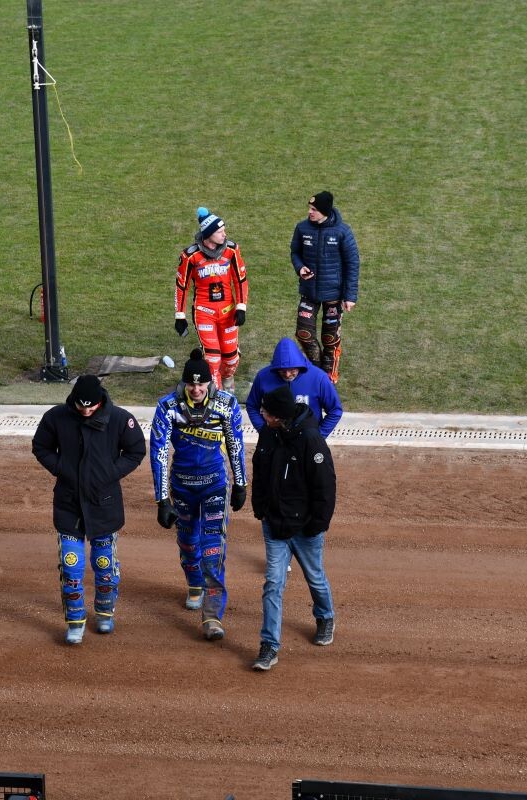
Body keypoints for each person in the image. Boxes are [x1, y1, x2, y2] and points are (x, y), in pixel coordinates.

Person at [32, 375, 146, 645]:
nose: (85, 411)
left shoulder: (120, 419)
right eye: (81, 407)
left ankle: (105, 613)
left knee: (104, 566)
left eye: (90, 407)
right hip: (69, 505)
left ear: (100, 400)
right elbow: (41, 447)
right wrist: (62, 468)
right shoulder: (56, 418)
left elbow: (136, 451)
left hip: (104, 505)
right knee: (72, 568)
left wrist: (110, 473)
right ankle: (75, 621)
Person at [150, 348, 248, 641]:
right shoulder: (167, 406)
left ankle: (212, 616)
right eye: (191, 384)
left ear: (210, 383)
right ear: (183, 383)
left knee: (212, 550)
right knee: (188, 543)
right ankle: (194, 583)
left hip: (215, 486)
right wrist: (162, 499)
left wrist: (241, 484)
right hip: (181, 487)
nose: (196, 389)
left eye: (201, 384)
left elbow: (236, 445)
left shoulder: (227, 405)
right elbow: (158, 452)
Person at [250, 386, 337, 672]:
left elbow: (325, 486)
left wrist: (317, 525)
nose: (261, 413)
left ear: (281, 416)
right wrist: (260, 508)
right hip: (275, 524)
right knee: (273, 583)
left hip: (305, 527)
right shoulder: (268, 434)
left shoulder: (311, 440)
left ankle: (325, 616)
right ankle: (269, 646)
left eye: (266, 411)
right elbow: (260, 473)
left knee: (315, 577)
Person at [173, 206, 249, 392]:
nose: (225, 235)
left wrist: (241, 306)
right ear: (208, 234)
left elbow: (240, 279)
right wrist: (180, 315)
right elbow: (182, 285)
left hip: (228, 311)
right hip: (204, 313)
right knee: (213, 358)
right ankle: (218, 394)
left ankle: (228, 378)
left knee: (231, 358)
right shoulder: (190, 256)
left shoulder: (231, 250)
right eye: (220, 231)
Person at [290, 190, 360, 384]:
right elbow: (295, 252)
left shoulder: (342, 232)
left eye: (314, 209)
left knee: (330, 339)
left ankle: (329, 377)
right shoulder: (302, 228)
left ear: (325, 211)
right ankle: (316, 368)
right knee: (303, 333)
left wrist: (350, 296)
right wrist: (300, 267)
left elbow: (352, 263)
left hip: (334, 295)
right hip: (309, 292)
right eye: (309, 208)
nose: (309, 212)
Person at [245, 336, 343, 438]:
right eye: (282, 370)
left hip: (307, 443)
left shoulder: (319, 377)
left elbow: (335, 410)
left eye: (292, 370)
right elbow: (252, 405)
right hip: (274, 441)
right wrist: (263, 431)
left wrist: (318, 437)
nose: (287, 374)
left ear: (300, 366)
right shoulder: (263, 376)